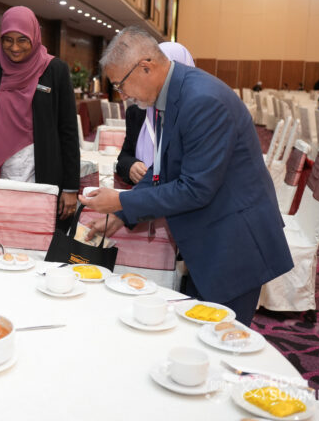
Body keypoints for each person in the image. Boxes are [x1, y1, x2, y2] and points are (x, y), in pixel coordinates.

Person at [81, 26, 293, 326]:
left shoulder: (202, 100)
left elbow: (195, 189)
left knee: (220, 337)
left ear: (146, 66)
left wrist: (121, 201)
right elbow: (164, 167)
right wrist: (123, 213)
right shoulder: (174, 95)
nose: (123, 95)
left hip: (234, 242)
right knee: (198, 330)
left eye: (121, 85)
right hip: (212, 238)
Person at [0, 5, 80, 224]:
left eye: (22, 40)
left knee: (40, 233)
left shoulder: (55, 70)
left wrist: (70, 187)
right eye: (8, 40)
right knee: (1, 232)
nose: (15, 47)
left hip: (43, 171)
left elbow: (68, 131)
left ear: (34, 38)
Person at [116, 42, 194, 186]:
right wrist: (131, 166)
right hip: (142, 194)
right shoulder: (138, 111)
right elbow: (124, 157)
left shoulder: (192, 115)